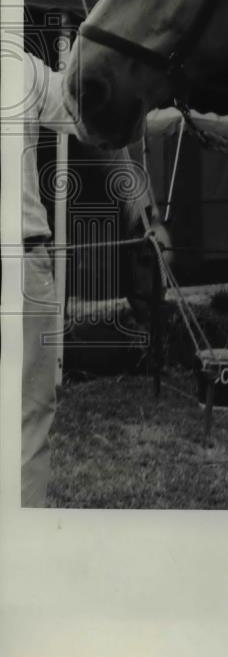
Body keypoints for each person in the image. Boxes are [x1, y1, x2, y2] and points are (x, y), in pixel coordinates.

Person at [20, 51, 162, 506]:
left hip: (27, 264)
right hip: (28, 264)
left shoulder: (19, 66)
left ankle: (24, 548)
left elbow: (85, 116)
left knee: (30, 416)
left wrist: (131, 76)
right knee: (27, 419)